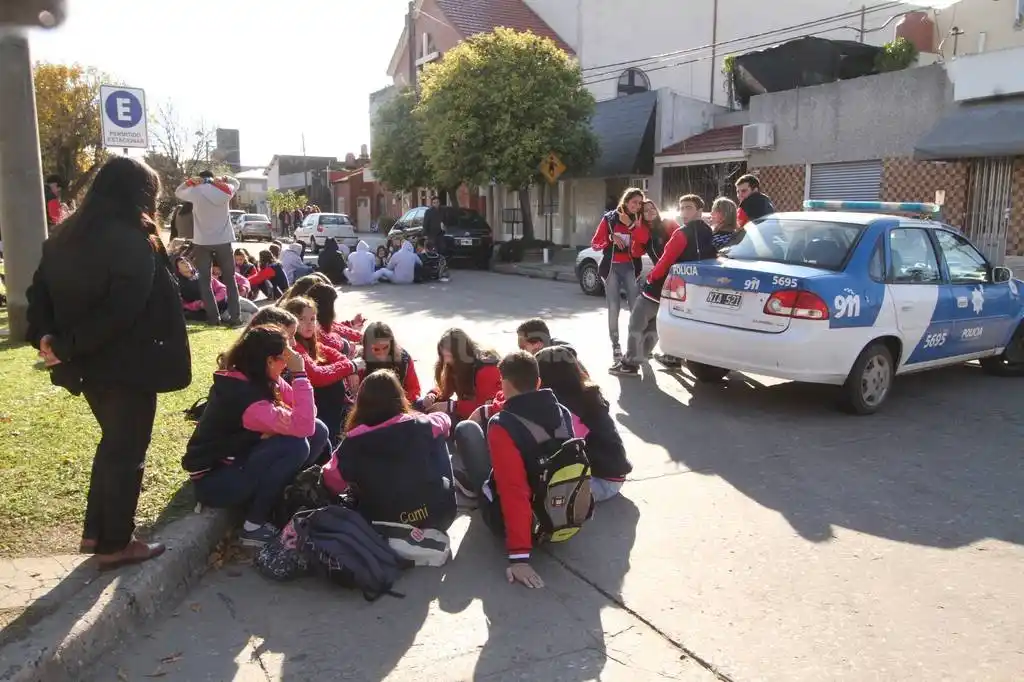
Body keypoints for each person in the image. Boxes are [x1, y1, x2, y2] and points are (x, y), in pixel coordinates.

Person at [25, 156, 191, 570]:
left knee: (114, 444)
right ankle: (116, 543)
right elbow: (122, 311)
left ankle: (97, 532)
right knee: (126, 449)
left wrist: (48, 338)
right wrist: (64, 345)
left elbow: (38, 294)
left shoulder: (64, 236)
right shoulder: (131, 240)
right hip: (126, 364)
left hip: (87, 365)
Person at [184, 325, 330, 546]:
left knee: (320, 430)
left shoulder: (259, 374)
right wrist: (300, 374)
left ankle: (279, 500)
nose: (289, 362)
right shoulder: (247, 398)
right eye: (285, 357)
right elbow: (303, 426)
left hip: (237, 461)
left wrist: (295, 375)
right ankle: (253, 525)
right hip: (215, 481)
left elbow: (310, 418)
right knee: (296, 446)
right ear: (269, 360)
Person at [455, 351, 580, 589]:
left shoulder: (503, 425)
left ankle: (473, 490)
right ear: (538, 382)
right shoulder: (562, 412)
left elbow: (514, 491)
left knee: (466, 429)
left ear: (504, 382)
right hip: (561, 513)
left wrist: (519, 556)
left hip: (521, 523)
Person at [321, 370, 456, 531]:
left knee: (351, 470)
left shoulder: (353, 442)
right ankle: (442, 500)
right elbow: (445, 419)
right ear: (399, 398)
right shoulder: (421, 425)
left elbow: (330, 479)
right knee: (438, 436)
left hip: (382, 525)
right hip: (437, 517)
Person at [612, 194, 716, 377]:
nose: (651, 211)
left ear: (699, 210)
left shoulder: (672, 227)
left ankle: (630, 363)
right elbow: (637, 249)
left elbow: (668, 257)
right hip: (679, 285)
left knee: (637, 321)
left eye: (653, 208)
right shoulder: (703, 230)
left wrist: (652, 277)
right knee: (653, 323)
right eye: (646, 210)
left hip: (664, 282)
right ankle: (639, 357)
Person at [536, 346, 630, 501]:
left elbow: (563, 450)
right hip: (611, 474)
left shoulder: (565, 408)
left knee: (537, 489)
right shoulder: (586, 393)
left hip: (601, 481)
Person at [281, 297, 361, 445]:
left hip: (315, 401)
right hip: (295, 403)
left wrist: (351, 367)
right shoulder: (293, 345)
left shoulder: (313, 343)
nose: (308, 324)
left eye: (312, 319)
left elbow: (339, 356)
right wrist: (350, 367)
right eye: (302, 319)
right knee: (334, 385)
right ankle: (331, 439)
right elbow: (316, 375)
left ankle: (338, 434)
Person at [591, 188, 651, 365]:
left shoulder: (640, 220)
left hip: (632, 268)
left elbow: (644, 243)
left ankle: (637, 345)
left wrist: (632, 228)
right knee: (614, 307)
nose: (637, 206)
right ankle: (616, 345)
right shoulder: (610, 218)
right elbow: (595, 243)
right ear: (626, 202)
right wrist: (610, 237)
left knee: (636, 308)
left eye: (640, 203)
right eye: (634, 202)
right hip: (612, 268)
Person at [175, 171, 241, 326]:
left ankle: (213, 318)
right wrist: (224, 178)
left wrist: (190, 182)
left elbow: (178, 192)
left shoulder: (195, 191)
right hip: (224, 240)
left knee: (204, 281)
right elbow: (237, 183)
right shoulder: (225, 190)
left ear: (200, 178)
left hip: (202, 241)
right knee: (230, 279)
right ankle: (235, 317)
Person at [420, 328, 501, 421]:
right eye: (443, 356)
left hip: (489, 420)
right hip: (468, 412)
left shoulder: (486, 368)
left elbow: (486, 408)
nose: (446, 361)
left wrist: (451, 406)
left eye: (448, 356)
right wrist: (433, 394)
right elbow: (446, 388)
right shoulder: (457, 364)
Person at [362, 321, 421, 403]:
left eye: (385, 347)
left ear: (391, 343)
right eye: (376, 349)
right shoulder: (360, 363)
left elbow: (414, 389)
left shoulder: (404, 359)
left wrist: (401, 402)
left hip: (402, 406)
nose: (382, 354)